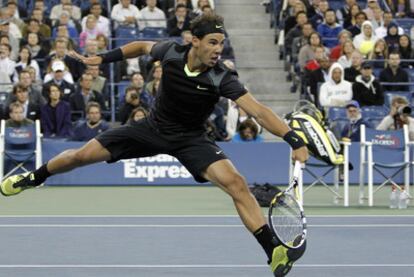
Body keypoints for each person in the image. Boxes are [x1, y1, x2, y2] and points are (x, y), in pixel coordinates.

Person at [0, 13, 309, 276]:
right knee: (82, 155)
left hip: (191, 139)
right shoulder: (172, 51)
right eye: (212, 42)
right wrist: (104, 58)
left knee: (238, 184)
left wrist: (292, 137)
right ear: (195, 41)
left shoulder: (221, 77)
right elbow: (141, 46)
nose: (218, 49)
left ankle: (274, 252)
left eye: (221, 43)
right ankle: (32, 178)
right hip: (151, 127)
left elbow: (258, 110)